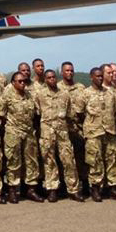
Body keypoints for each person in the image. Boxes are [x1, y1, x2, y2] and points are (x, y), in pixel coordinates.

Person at [77, 66, 116, 202]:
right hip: (93, 133)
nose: (99, 78)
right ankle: (96, 188)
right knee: (95, 161)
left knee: (113, 160)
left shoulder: (110, 93)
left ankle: (113, 188)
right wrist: (90, 125)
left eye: (100, 76)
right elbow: (79, 113)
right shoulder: (85, 94)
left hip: (110, 132)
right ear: (91, 77)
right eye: (97, 76)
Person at [35, 70, 84, 203]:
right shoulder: (40, 95)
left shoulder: (64, 94)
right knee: (49, 162)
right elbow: (37, 113)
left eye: (53, 77)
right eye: (49, 78)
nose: (52, 79)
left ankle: (73, 190)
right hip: (47, 132)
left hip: (63, 132)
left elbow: (69, 114)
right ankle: (52, 190)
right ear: (45, 80)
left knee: (69, 160)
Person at [0, 72, 43, 202]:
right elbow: (1, 114)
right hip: (13, 132)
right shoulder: (7, 96)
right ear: (13, 83)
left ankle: (30, 189)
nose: (22, 83)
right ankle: (13, 189)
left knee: (31, 162)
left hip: (28, 132)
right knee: (13, 161)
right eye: (19, 81)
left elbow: (36, 113)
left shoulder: (30, 95)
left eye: (24, 81)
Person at [58, 61, 87, 191]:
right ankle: (64, 184)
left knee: (82, 157)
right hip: (63, 129)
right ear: (62, 72)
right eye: (67, 70)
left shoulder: (81, 87)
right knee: (64, 158)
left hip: (79, 127)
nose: (69, 73)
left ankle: (85, 183)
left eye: (71, 70)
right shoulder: (57, 87)